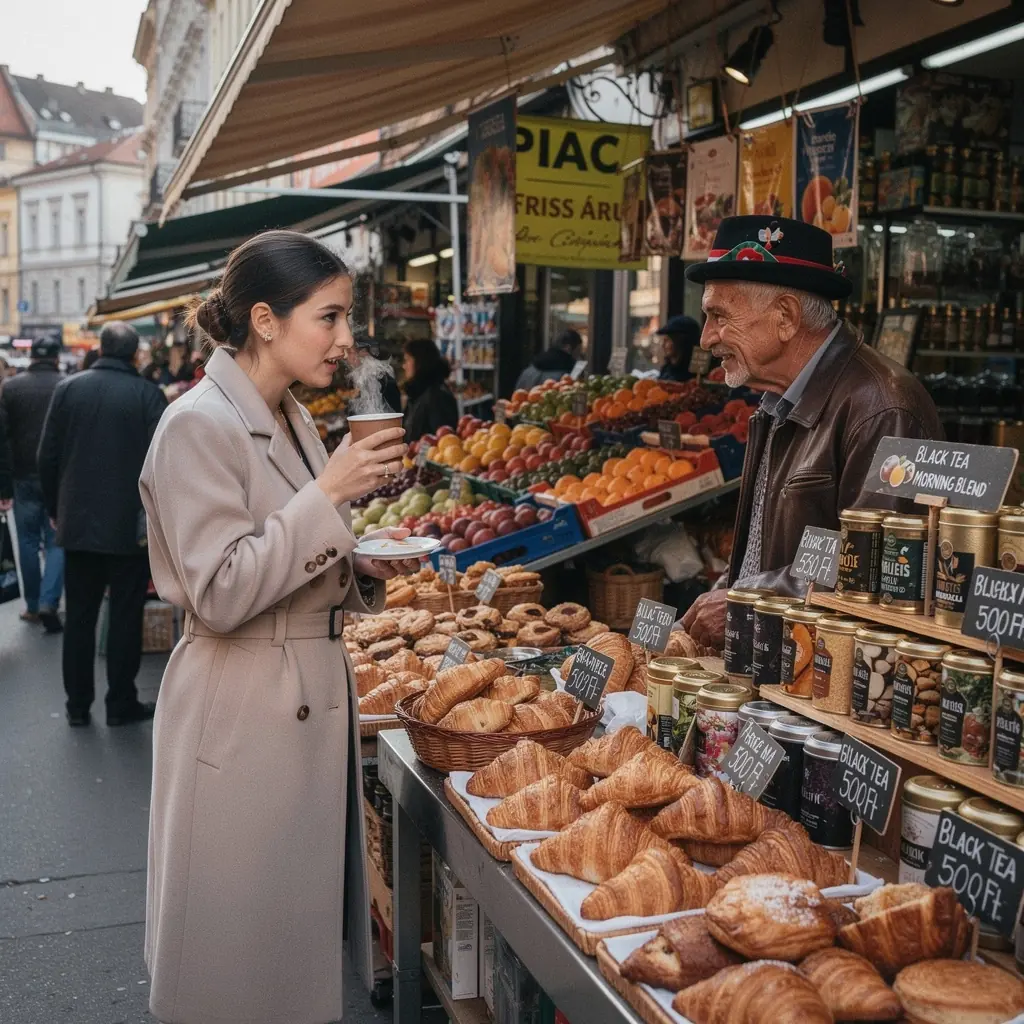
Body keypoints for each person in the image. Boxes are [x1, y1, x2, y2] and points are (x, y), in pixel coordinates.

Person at [139, 230, 420, 1024]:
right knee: (232, 966)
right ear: (265, 319)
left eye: (347, 319)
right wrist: (327, 497)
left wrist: (359, 566)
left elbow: (289, 554)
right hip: (241, 708)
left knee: (282, 958)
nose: (345, 339)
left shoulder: (287, 414)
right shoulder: (198, 424)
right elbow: (220, 589)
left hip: (292, 700)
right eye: (328, 318)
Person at [680, 216, 942, 649]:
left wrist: (744, 601)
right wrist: (726, 594)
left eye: (719, 316)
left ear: (785, 317)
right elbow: (765, 546)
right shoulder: (775, 400)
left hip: (828, 681)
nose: (707, 337)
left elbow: (881, 571)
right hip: (777, 663)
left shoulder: (882, 406)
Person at [37, 322, 167, 727]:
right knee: (125, 616)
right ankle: (120, 702)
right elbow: (163, 463)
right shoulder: (148, 395)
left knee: (79, 618)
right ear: (134, 355)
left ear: (99, 349)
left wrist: (56, 505)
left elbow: (48, 456)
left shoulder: (69, 390)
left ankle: (77, 707)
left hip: (77, 522)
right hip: (129, 527)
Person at [0, 335, 65, 630]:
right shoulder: (67, 385)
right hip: (59, 475)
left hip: (22, 474)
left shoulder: (11, 388)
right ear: (55, 357)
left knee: (26, 541)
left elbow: (3, 438)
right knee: (55, 539)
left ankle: (33, 604)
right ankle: (50, 600)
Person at [402, 337, 459, 442]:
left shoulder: (438, 397)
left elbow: (442, 442)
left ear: (420, 362)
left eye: (407, 360)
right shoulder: (417, 393)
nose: (404, 366)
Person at [514, 328, 583, 390]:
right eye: (578, 350)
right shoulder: (566, 377)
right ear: (568, 348)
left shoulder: (529, 370)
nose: (579, 355)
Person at [657, 314, 701, 382]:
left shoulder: (695, 375)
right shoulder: (666, 370)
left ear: (683, 342)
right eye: (663, 340)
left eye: (667, 340)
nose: (663, 345)